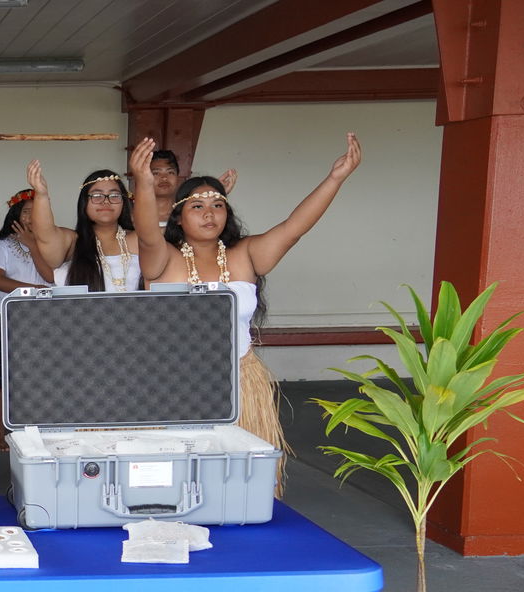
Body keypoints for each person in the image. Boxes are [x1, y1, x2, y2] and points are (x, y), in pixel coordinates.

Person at [128, 133, 363, 474]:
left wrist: (335, 178)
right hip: (172, 382)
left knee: (236, 479)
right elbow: (148, 231)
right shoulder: (163, 260)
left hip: (240, 379)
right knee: (175, 478)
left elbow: (293, 229)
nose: (209, 214)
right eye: (198, 206)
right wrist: (144, 185)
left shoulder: (246, 254)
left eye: (217, 205)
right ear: (179, 217)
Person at [0, 188, 53, 451]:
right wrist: (32, 290)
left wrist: (34, 245)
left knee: (44, 375)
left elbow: (52, 277)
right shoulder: (3, 245)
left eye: (37, 211)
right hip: (11, 318)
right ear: (16, 215)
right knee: (4, 377)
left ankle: (41, 430)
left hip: (44, 319)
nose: (32, 217)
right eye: (26, 211)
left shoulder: (51, 244)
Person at [24, 161, 140, 291]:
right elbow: (44, 234)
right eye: (96, 196)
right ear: (84, 203)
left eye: (114, 195)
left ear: (123, 202)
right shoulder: (73, 241)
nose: (106, 201)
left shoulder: (137, 239)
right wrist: (41, 195)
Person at [148, 149, 236, 228]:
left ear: (177, 176)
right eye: (156, 173)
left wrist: (214, 194)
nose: (164, 178)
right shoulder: (135, 210)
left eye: (170, 172)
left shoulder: (188, 210)